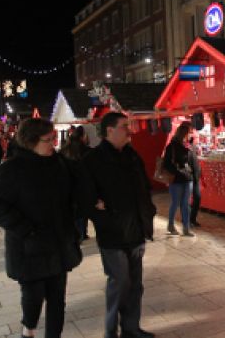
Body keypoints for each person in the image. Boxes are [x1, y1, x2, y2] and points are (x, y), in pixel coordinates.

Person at [0, 118, 83, 338]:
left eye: (53, 139)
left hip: (58, 245)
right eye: (48, 140)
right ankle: (28, 330)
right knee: (33, 297)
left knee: (57, 301)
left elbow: (75, 191)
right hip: (29, 250)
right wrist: (27, 230)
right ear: (30, 141)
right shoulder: (12, 169)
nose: (54, 144)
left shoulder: (59, 163)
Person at [81, 112, 156, 338]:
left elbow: (144, 187)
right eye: (125, 126)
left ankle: (131, 328)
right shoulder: (93, 160)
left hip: (136, 230)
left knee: (135, 284)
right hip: (112, 233)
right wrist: (101, 214)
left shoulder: (133, 156)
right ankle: (111, 330)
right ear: (109, 130)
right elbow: (84, 199)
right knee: (120, 282)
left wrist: (148, 213)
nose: (130, 130)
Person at [162, 121, 195, 236]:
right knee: (176, 203)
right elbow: (167, 164)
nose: (189, 136)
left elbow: (189, 161)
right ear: (183, 134)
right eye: (188, 134)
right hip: (176, 179)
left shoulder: (186, 146)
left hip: (187, 178)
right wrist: (178, 172)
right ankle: (170, 225)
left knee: (186, 204)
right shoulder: (172, 147)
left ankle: (186, 228)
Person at [60, 126, 92, 241]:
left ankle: (76, 233)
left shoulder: (64, 149)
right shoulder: (87, 151)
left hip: (68, 185)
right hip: (82, 185)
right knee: (82, 211)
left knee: (73, 211)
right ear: (83, 136)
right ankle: (82, 233)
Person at [188, 136, 202, 227]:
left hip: (195, 177)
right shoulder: (186, 148)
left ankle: (192, 218)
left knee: (197, 198)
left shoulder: (193, 148)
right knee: (187, 199)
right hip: (188, 177)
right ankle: (188, 219)